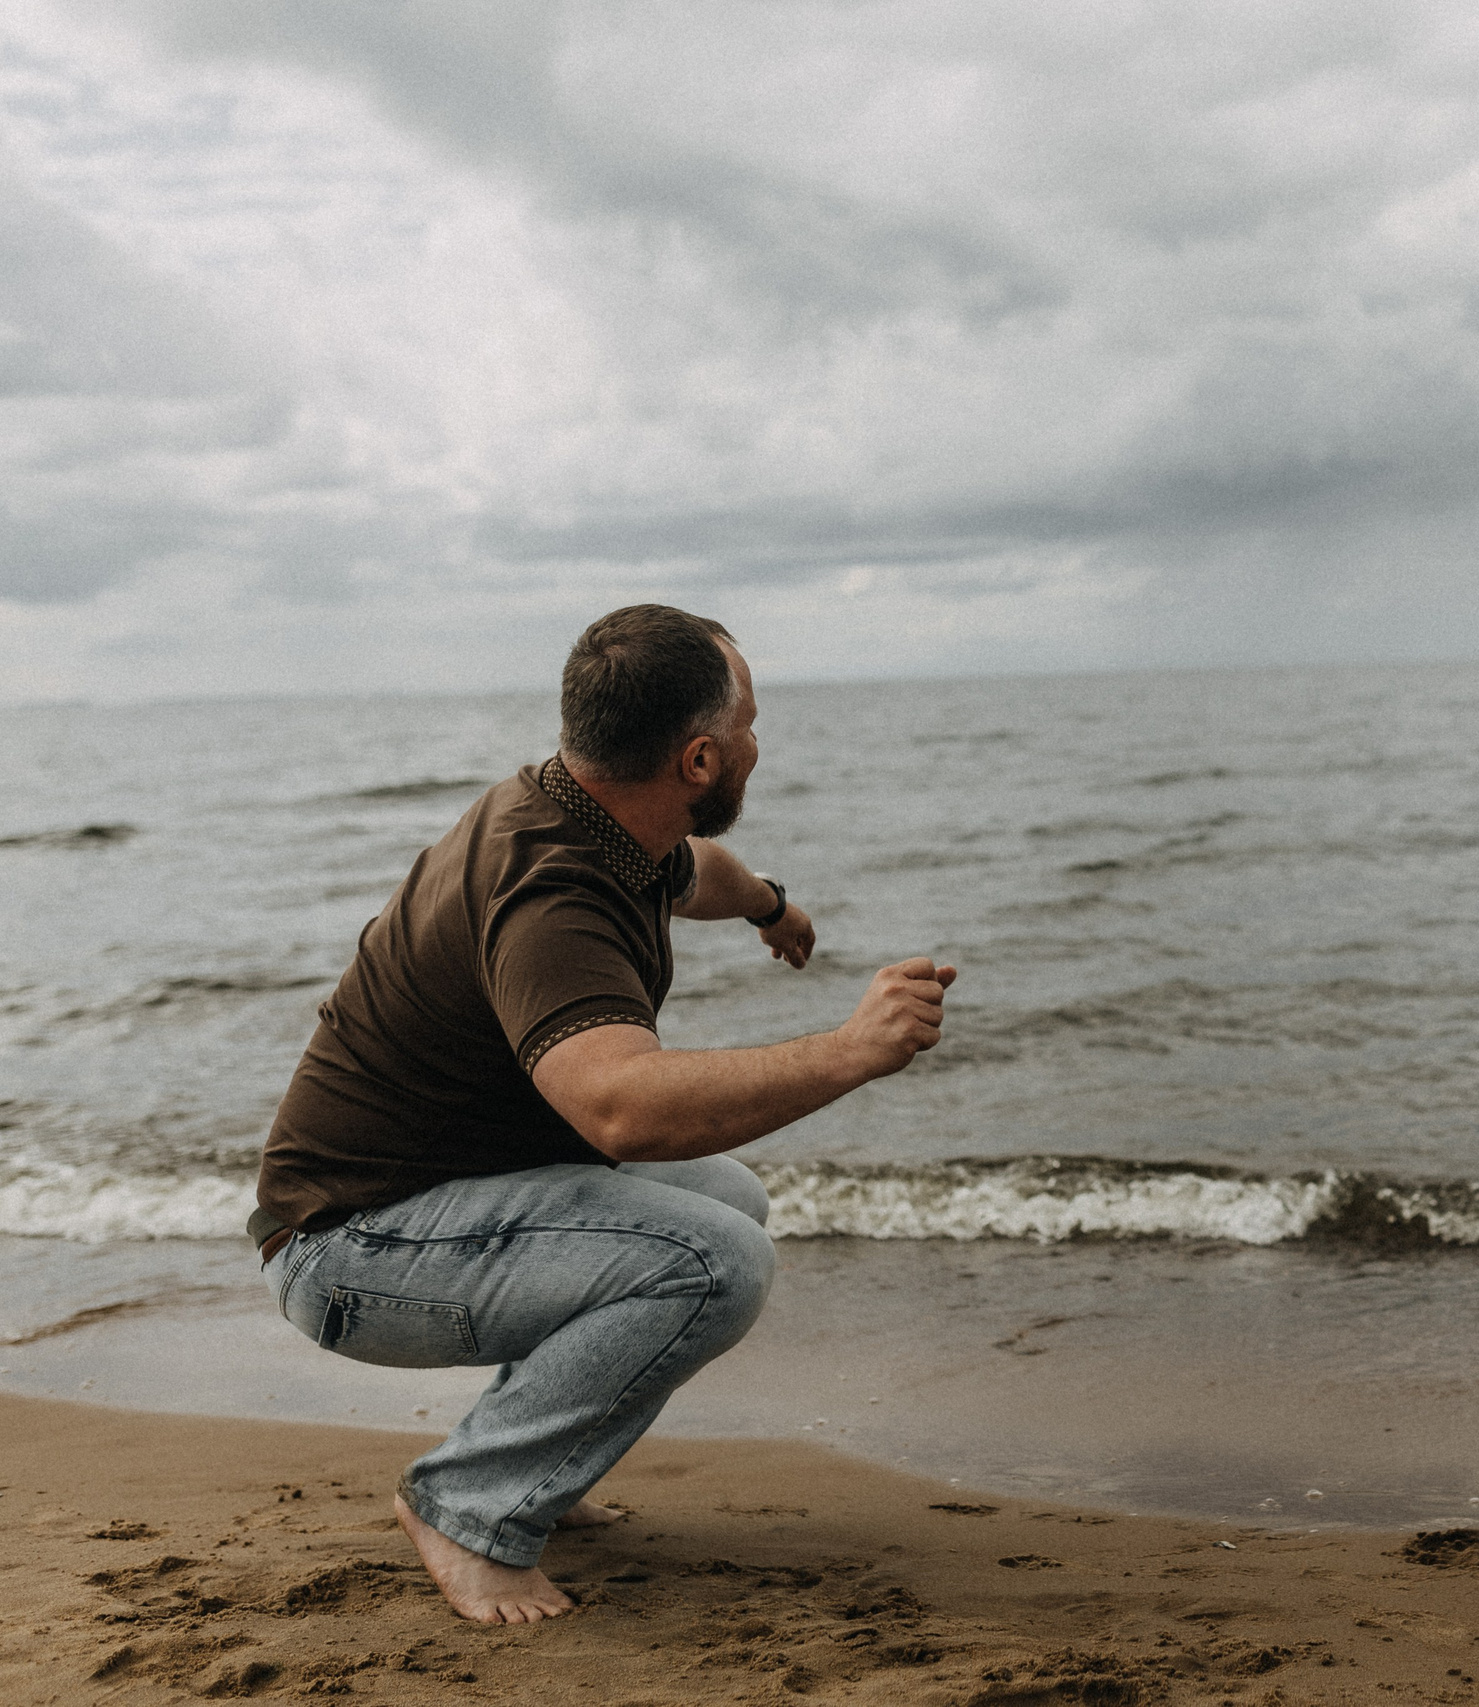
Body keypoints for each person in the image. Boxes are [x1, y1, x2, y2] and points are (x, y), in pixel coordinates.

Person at [251, 604, 956, 1625]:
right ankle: (470, 1506)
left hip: (426, 1196)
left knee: (728, 1200)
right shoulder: (554, 892)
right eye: (751, 724)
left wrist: (769, 907)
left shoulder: (596, 811)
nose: (761, 740)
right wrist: (851, 1051)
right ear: (702, 757)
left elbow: (691, 871)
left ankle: (533, 1458)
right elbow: (623, 1111)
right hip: (350, 1251)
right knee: (716, 1261)